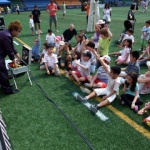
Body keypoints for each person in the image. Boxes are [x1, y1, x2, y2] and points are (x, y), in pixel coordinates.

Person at [0, 20, 22, 94]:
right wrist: (14, 61)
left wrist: (17, 53)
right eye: (18, 31)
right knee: (3, 72)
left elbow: (10, 45)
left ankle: (5, 86)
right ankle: (7, 90)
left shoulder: (7, 33)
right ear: (14, 30)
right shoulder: (7, 35)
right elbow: (9, 51)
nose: (19, 33)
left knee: (2, 72)